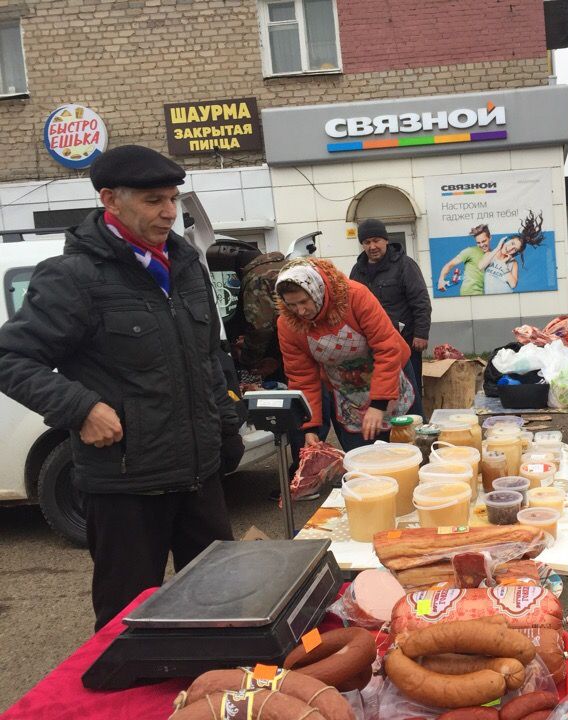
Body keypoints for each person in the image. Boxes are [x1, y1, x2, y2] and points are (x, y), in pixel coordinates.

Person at [0, 145, 242, 629]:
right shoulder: (74, 277)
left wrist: (227, 425)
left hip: (199, 477)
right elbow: (11, 357)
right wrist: (80, 408)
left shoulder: (186, 265)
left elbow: (207, 356)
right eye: (154, 200)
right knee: (128, 626)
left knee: (224, 609)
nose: (170, 212)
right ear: (110, 199)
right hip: (126, 486)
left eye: (173, 198)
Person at [275, 257, 416, 453]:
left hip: (389, 377)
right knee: (363, 456)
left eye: (303, 301)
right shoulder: (288, 324)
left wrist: (379, 403)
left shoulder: (355, 296)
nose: (300, 310)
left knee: (409, 448)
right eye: (291, 305)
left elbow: (387, 348)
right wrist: (310, 426)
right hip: (347, 391)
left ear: (316, 290)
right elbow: (302, 377)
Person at [349, 218, 432, 395]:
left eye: (376, 240)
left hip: (405, 340)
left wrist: (421, 333)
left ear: (386, 240)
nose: (372, 246)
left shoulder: (405, 265)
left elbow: (421, 300)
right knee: (380, 387)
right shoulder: (357, 271)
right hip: (371, 343)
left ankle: (416, 420)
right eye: (367, 242)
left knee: (410, 386)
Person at [479, 211, 544, 294]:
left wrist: (503, 264)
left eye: (515, 249)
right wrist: (498, 247)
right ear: (507, 240)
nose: (510, 248)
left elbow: (513, 284)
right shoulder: (490, 254)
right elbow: (481, 266)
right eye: (512, 243)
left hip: (506, 298)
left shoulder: (513, 263)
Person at [437, 224, 491, 295]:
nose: (481, 245)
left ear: (490, 237)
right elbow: (449, 265)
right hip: (469, 292)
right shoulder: (470, 251)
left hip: (484, 293)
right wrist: (441, 280)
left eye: (484, 241)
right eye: (478, 243)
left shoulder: (493, 255)